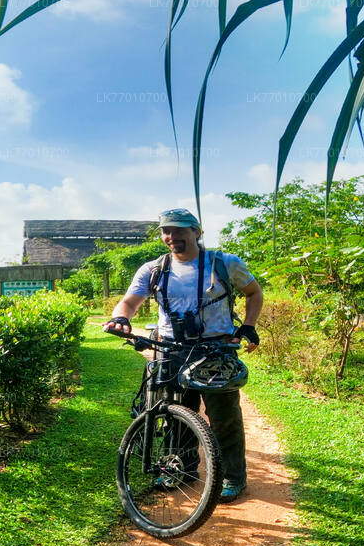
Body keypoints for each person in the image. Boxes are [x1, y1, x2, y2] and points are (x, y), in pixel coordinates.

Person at [103, 208, 263, 503]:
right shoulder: (153, 269)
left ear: (196, 232)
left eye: (179, 230)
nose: (171, 237)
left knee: (224, 418)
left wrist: (249, 327)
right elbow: (129, 302)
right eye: (166, 231)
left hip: (216, 350)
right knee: (175, 415)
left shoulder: (224, 264)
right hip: (171, 350)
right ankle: (182, 469)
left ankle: (233, 478)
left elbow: (254, 292)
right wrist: (122, 318)